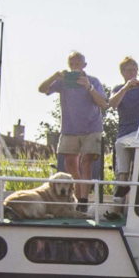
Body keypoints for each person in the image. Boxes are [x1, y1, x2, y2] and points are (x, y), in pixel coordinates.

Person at [39, 52, 107, 182]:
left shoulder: (93, 81)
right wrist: (55, 76)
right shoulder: (63, 82)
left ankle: (83, 198)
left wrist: (89, 87)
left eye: (78, 64)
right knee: (69, 163)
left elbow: (103, 103)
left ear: (84, 65)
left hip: (91, 128)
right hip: (69, 128)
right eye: (72, 64)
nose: (75, 67)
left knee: (86, 162)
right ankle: (78, 188)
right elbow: (42, 89)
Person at [104, 57, 139, 180]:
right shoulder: (118, 89)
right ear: (123, 72)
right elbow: (112, 104)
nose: (133, 73)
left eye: (135, 70)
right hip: (125, 133)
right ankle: (121, 184)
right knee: (121, 151)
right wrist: (126, 88)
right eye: (130, 70)